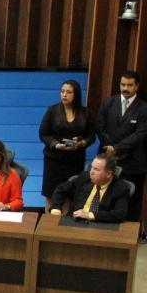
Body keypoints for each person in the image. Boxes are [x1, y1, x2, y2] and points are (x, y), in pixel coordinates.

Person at [97, 70, 147, 222]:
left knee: (132, 203)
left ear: (137, 86)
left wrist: (117, 149)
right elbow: (100, 128)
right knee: (104, 199)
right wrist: (110, 147)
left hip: (133, 163)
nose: (125, 88)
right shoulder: (108, 103)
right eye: (122, 84)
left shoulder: (143, 108)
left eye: (129, 85)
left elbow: (140, 134)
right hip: (107, 160)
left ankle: (130, 232)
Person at [40, 80, 96, 208]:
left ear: (76, 94)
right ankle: (50, 219)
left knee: (71, 193)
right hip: (54, 159)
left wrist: (81, 143)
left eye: (69, 92)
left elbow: (91, 136)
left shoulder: (86, 113)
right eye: (62, 91)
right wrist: (55, 144)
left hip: (75, 160)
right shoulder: (52, 110)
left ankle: (66, 219)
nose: (64, 95)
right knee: (51, 193)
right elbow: (43, 134)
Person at [48, 153, 129, 223]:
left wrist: (89, 215)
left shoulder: (121, 188)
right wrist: (56, 208)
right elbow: (61, 189)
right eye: (92, 167)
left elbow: (119, 214)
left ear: (108, 174)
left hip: (100, 225)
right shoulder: (85, 177)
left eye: (96, 169)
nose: (91, 172)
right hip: (74, 221)